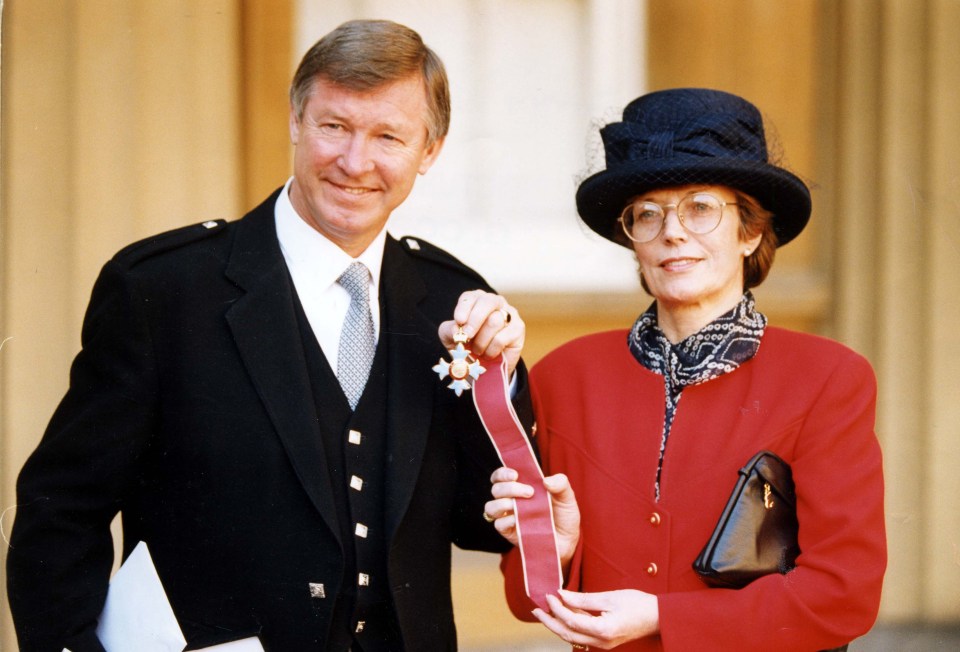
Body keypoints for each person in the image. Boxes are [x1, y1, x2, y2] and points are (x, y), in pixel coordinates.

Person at [7, 19, 532, 651]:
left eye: (388, 135)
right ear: (295, 119)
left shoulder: (453, 301)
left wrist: (505, 377)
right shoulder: (164, 290)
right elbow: (60, 510)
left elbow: (486, 520)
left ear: (430, 150)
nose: (355, 162)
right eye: (333, 127)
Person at [484, 88, 886, 651]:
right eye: (647, 214)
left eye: (700, 207)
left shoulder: (828, 379)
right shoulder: (563, 377)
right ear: (634, 243)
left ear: (749, 231)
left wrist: (661, 617)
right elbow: (525, 601)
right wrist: (558, 549)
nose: (672, 232)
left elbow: (845, 594)